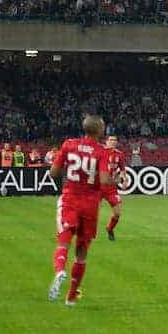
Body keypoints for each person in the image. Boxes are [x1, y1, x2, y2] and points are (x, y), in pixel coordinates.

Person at [48, 115, 113, 306]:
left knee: (64, 239)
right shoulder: (102, 152)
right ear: (99, 130)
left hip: (70, 198)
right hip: (91, 205)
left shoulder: (69, 145)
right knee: (82, 251)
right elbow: (104, 180)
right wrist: (116, 180)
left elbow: (53, 172)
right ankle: (71, 296)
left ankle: (60, 270)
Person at [103, 134, 126, 241]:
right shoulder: (100, 152)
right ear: (106, 142)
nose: (113, 142)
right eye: (111, 140)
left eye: (115, 140)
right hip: (98, 186)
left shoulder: (119, 155)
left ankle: (109, 228)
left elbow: (122, 170)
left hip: (111, 188)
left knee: (117, 213)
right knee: (90, 212)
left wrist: (124, 180)